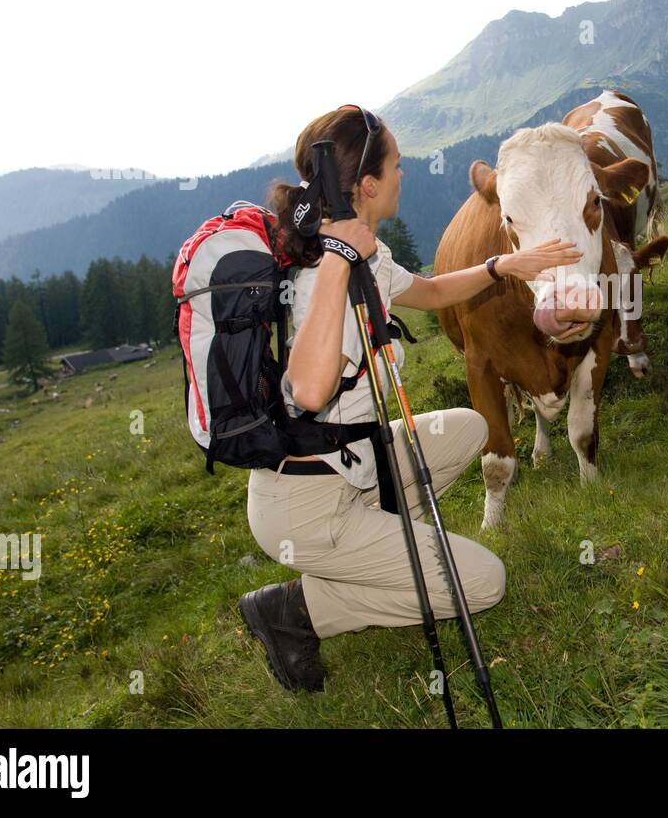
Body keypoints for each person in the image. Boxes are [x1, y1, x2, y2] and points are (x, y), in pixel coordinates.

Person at [239, 105, 581, 692]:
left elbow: (430, 290)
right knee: (484, 582)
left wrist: (505, 264)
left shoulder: (367, 253)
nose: (404, 174)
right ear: (367, 185)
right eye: (396, 165)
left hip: (353, 463)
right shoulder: (324, 270)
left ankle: (384, 554)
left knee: (471, 428)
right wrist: (336, 268)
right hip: (305, 506)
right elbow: (309, 387)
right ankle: (296, 611)